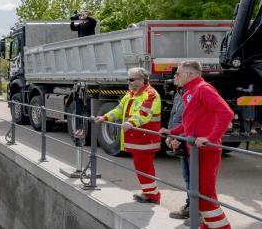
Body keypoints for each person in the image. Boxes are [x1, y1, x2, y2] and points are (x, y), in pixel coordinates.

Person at [161, 61, 233, 229]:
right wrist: (172, 131)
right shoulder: (192, 91)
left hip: (207, 149)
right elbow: (191, 122)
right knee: (201, 194)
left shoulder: (203, 89)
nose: (175, 76)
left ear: (189, 74)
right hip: (197, 149)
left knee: (205, 195)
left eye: (178, 73)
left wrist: (211, 138)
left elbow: (226, 113)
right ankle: (206, 226)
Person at [94, 67, 162, 203]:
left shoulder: (151, 94)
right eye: (128, 79)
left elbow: (144, 114)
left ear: (142, 80)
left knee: (145, 167)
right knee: (141, 167)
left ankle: (153, 196)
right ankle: (149, 193)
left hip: (145, 139)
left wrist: (131, 122)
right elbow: (119, 110)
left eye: (131, 79)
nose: (128, 82)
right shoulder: (131, 94)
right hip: (137, 138)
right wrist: (105, 117)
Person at [167, 74, 190, 220]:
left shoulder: (193, 93)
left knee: (195, 178)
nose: (174, 76)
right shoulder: (179, 92)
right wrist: (170, 134)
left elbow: (192, 120)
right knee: (187, 177)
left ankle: (197, 212)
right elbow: (174, 115)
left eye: (177, 74)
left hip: (188, 141)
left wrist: (180, 137)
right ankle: (190, 206)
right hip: (180, 140)